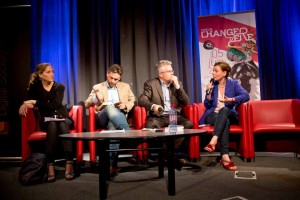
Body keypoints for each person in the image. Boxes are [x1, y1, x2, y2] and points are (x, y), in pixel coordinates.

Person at [18, 63, 75, 182]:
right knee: (53, 124)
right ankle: (51, 164)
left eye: (52, 71)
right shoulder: (35, 87)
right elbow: (31, 103)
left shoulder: (59, 87)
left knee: (61, 123)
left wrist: (35, 102)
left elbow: (54, 105)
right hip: (47, 120)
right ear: (40, 75)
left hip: (63, 117)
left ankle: (68, 162)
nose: (52, 74)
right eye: (48, 72)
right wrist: (25, 104)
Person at [138, 60, 193, 170]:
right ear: (160, 74)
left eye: (172, 71)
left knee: (188, 124)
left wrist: (177, 86)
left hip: (173, 115)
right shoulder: (151, 84)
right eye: (168, 71)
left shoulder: (176, 84)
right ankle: (171, 156)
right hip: (158, 116)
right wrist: (153, 106)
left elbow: (186, 102)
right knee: (150, 127)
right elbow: (142, 100)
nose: (172, 73)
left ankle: (166, 154)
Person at [85, 64, 135, 176]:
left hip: (118, 116)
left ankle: (112, 165)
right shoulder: (98, 87)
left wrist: (125, 105)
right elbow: (87, 104)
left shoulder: (125, 86)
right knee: (109, 106)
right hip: (102, 116)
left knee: (113, 127)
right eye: (111, 78)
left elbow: (132, 100)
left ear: (120, 78)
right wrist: (95, 98)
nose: (113, 81)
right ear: (107, 74)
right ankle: (129, 133)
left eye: (116, 79)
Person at [199, 61, 250, 170]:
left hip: (229, 113)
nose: (213, 73)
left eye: (216, 71)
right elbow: (207, 105)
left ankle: (214, 140)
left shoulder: (234, 83)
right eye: (213, 71)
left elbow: (246, 96)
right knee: (224, 121)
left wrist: (231, 99)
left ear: (224, 73)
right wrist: (208, 93)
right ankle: (225, 156)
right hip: (214, 115)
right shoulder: (213, 85)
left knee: (225, 109)